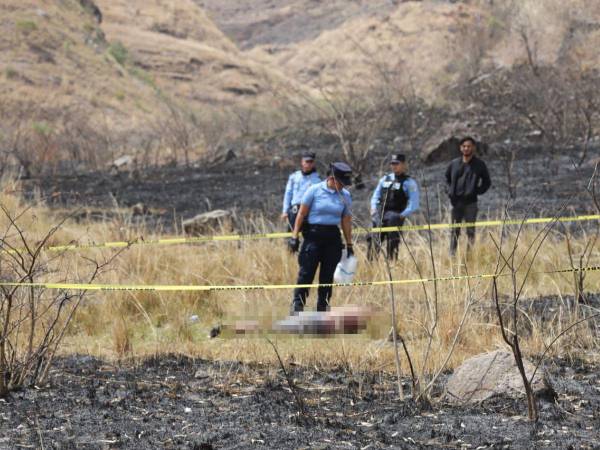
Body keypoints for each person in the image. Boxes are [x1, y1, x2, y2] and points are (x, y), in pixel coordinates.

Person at [288, 162, 353, 313]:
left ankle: (322, 308)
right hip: (313, 236)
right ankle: (297, 307)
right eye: (342, 182)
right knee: (306, 273)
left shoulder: (345, 196)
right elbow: (301, 214)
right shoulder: (314, 190)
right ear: (332, 178)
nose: (344, 186)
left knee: (327, 276)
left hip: (332, 238)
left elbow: (346, 220)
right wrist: (294, 237)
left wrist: (349, 244)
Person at [445, 136, 491, 255]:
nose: (466, 148)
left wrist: (477, 191)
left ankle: (470, 256)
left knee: (470, 231)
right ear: (460, 148)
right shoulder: (454, 164)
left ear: (473, 148)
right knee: (454, 231)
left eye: (469, 146)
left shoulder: (479, 164)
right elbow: (446, 179)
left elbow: (487, 182)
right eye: (464, 146)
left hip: (470, 203)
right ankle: (452, 256)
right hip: (455, 203)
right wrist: (449, 191)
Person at [368, 154, 420, 260]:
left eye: (397, 163)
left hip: (395, 216)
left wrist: (402, 215)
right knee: (373, 241)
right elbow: (375, 196)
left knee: (392, 243)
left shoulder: (409, 182)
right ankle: (371, 266)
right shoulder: (384, 179)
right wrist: (373, 209)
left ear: (404, 165)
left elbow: (414, 204)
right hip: (380, 214)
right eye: (392, 163)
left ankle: (392, 267)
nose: (394, 166)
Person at [281, 152, 321, 232]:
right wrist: (285, 211)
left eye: (311, 162)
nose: (309, 164)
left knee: (310, 235)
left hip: (310, 210)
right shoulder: (294, 177)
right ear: (302, 162)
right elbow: (288, 194)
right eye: (307, 161)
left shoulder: (317, 179)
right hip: (295, 210)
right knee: (292, 236)